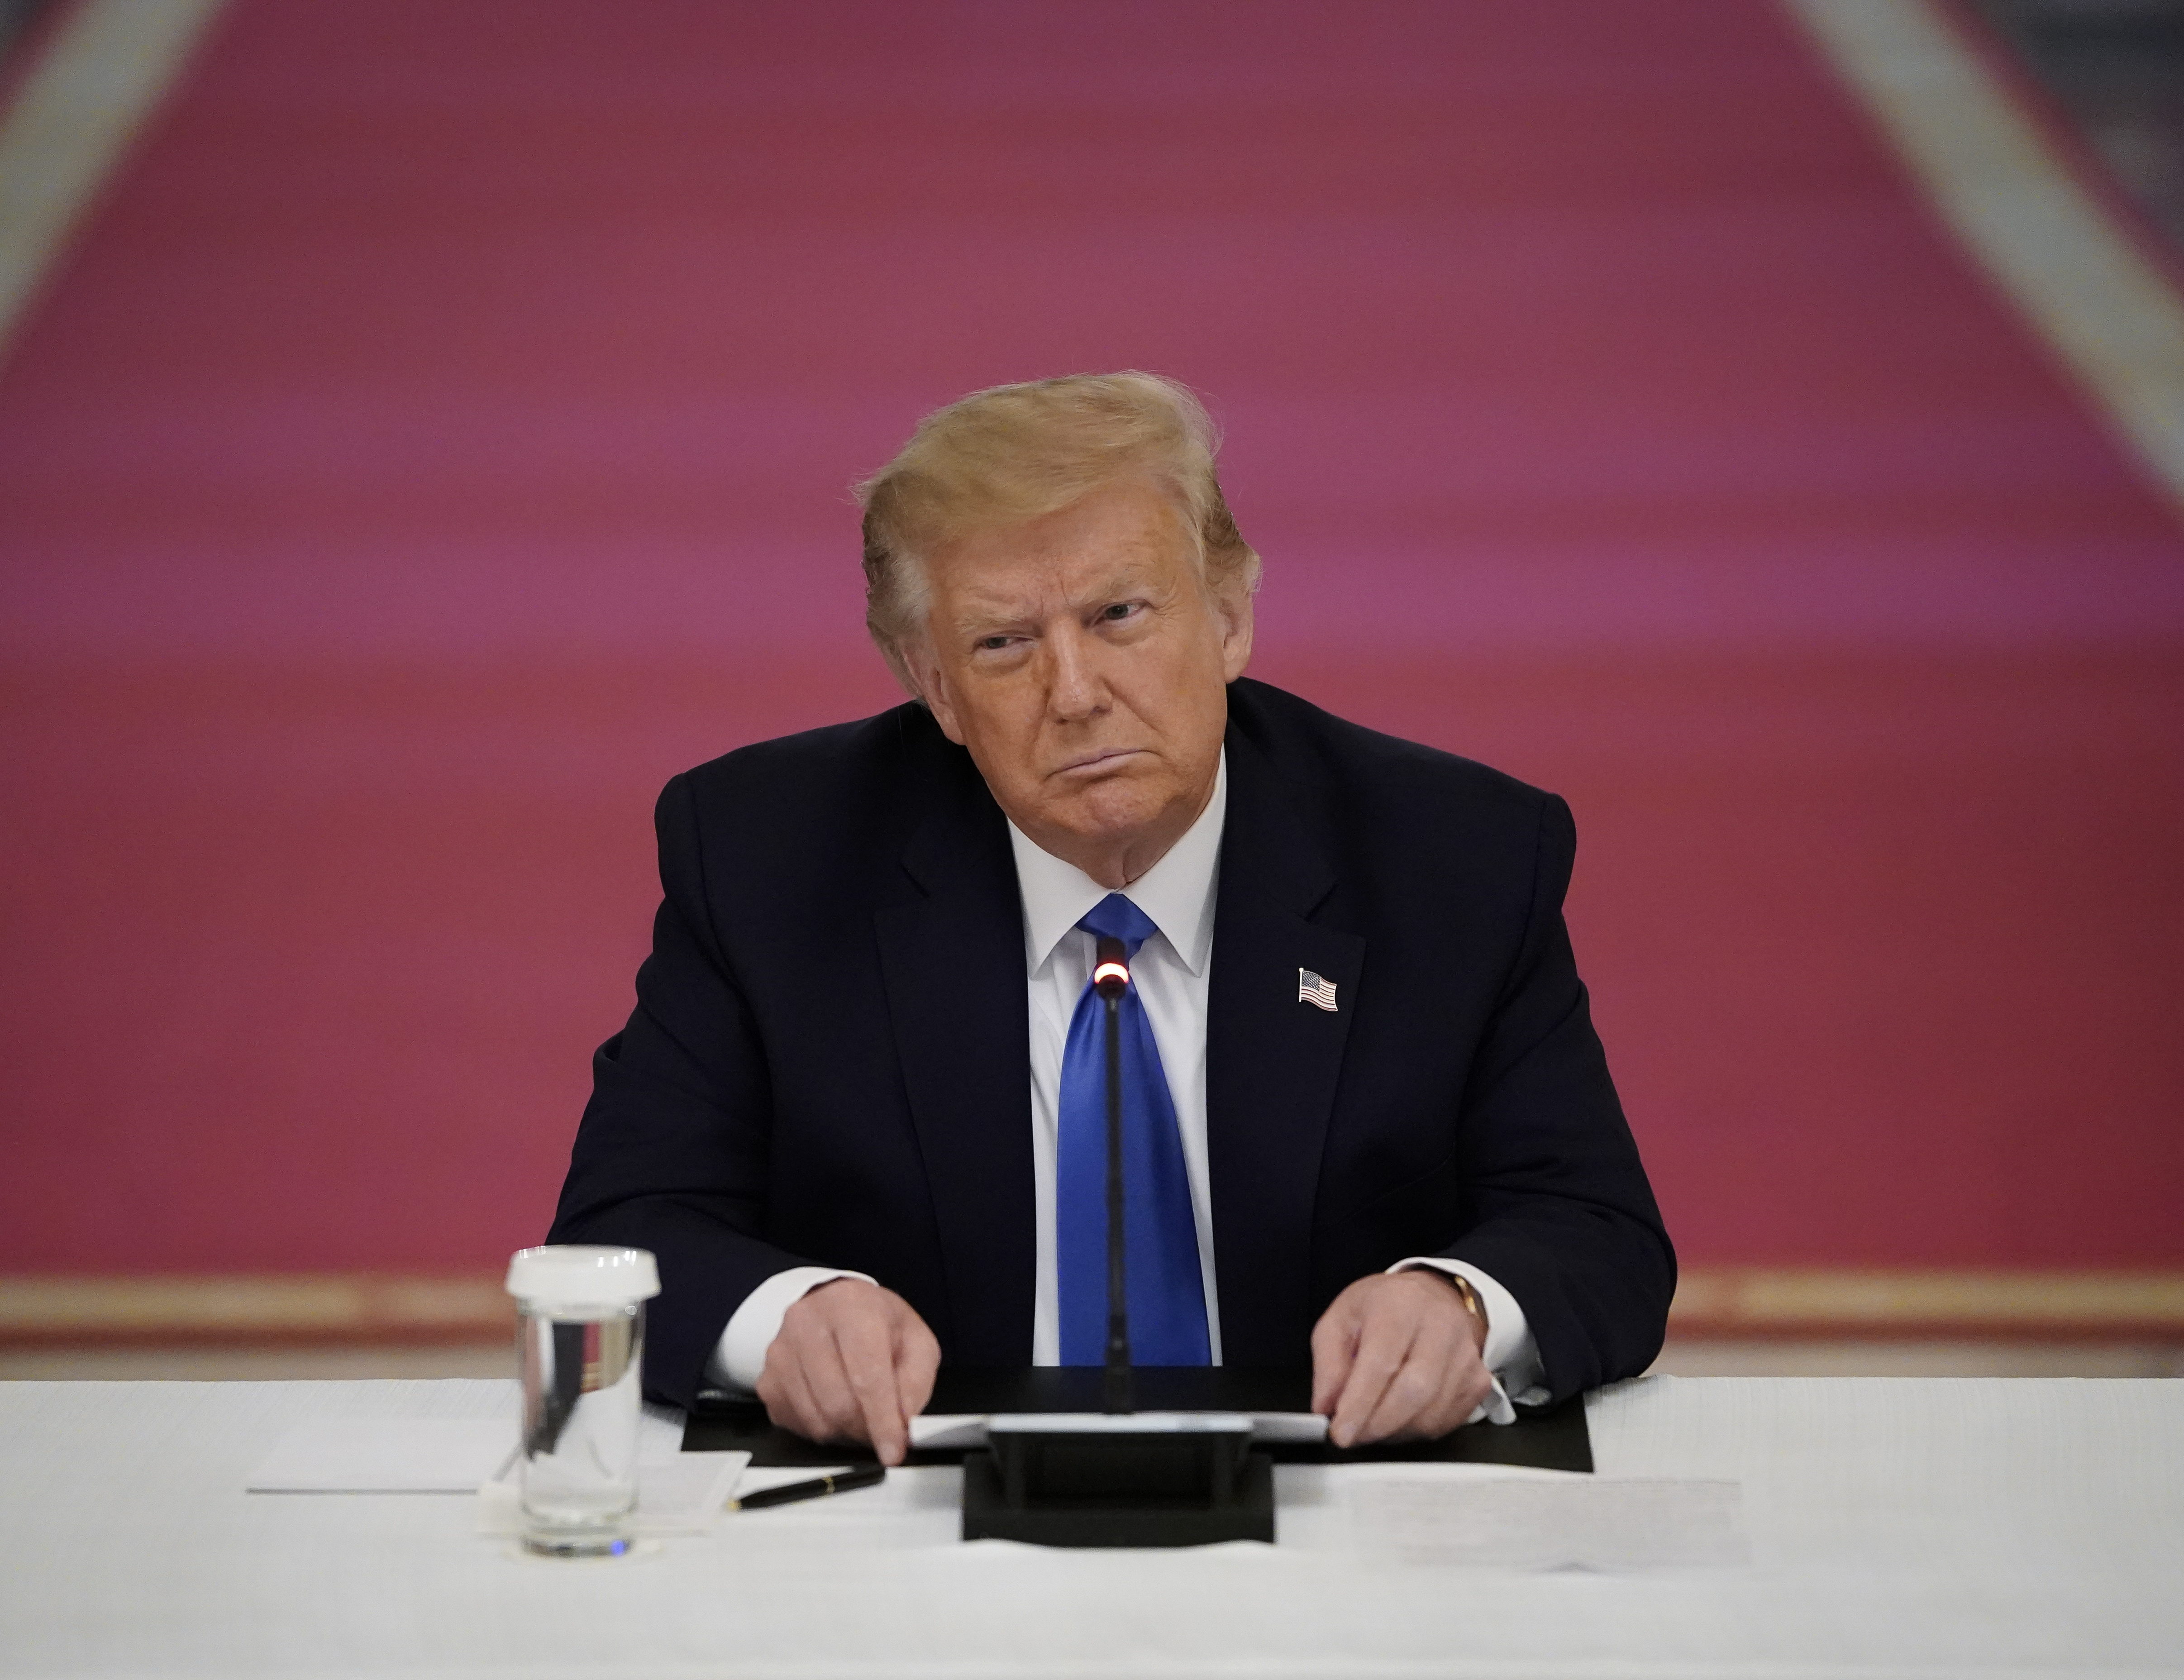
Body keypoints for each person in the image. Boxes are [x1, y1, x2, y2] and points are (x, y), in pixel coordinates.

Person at [550, 372, 1672, 1465]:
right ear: (933, 684)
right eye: (1003, 643)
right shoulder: (768, 859)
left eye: (1119, 614)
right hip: (909, 1525)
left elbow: (1596, 1232)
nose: (1075, 690)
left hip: (1338, 1522)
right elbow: (623, 1230)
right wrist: (785, 1315)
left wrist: (1463, 1304)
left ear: (1230, 617)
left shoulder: (1451, 857)